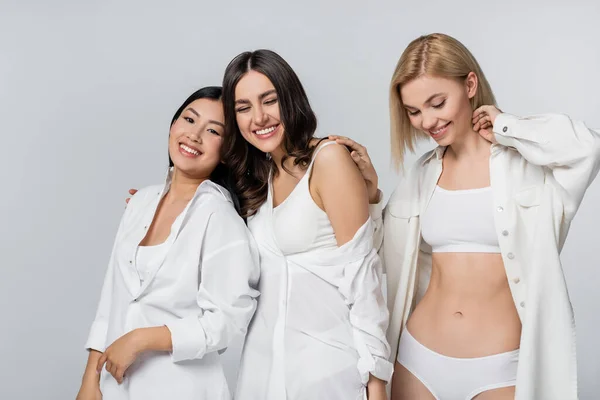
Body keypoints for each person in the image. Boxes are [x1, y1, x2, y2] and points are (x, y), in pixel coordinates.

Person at [332, 33, 600, 400]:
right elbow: (382, 257)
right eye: (413, 111)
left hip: (500, 367)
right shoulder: (423, 173)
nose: (427, 121)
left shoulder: (527, 169)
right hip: (418, 359)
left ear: (470, 84)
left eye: (436, 103)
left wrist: (507, 126)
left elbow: (588, 149)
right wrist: (373, 195)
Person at [221, 49, 392, 400]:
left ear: (291, 99)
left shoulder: (328, 160)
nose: (259, 117)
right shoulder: (255, 180)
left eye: (270, 101)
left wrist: (377, 384)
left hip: (327, 371)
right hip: (261, 371)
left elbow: (364, 280)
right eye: (243, 107)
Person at [76, 87, 260, 400]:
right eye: (189, 119)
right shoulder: (141, 203)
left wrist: (140, 339)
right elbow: (112, 299)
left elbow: (227, 321)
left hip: (182, 387)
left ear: (228, 151)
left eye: (213, 130)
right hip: (114, 386)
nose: (194, 135)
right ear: (172, 125)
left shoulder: (220, 217)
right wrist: (89, 382)